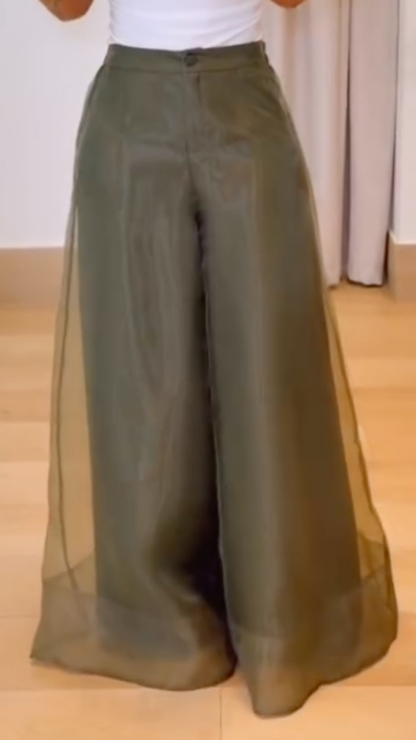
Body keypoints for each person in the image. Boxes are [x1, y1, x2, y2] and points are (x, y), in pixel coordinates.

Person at [32, 0, 397, 718]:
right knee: (142, 380)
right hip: (130, 113)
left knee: (268, 369)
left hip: (243, 108)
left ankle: (277, 603)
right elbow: (67, 7)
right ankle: (154, 609)